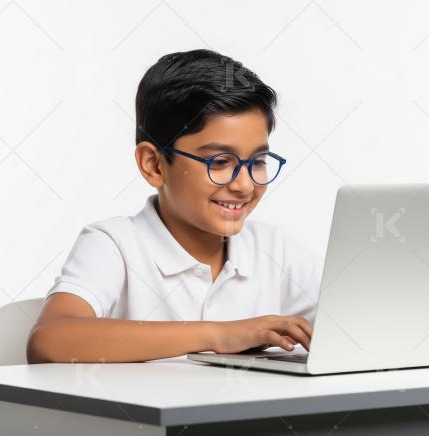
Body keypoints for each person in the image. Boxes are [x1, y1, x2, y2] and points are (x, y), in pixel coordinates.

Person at [26, 49, 321, 363]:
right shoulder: (115, 245)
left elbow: (363, 322)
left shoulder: (273, 249)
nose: (244, 185)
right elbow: (50, 341)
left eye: (258, 161)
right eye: (220, 162)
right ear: (154, 164)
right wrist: (219, 334)